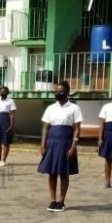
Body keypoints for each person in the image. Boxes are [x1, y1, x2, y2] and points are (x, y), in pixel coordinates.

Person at [37, 81, 82, 212]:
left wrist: (73, 146)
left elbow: (77, 128)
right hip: (51, 143)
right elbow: (45, 128)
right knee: (52, 173)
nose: (58, 93)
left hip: (66, 143)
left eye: (61, 91)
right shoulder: (50, 108)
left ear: (67, 92)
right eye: (56, 91)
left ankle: (61, 201)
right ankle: (52, 200)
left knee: (64, 173)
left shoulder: (74, 108)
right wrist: (43, 144)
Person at [0, 86, 16, 167]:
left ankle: (3, 160)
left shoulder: (11, 101)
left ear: (7, 92)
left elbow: (12, 114)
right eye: (1, 91)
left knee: (6, 142)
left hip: (6, 120)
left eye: (4, 91)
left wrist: (11, 125)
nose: (2, 93)